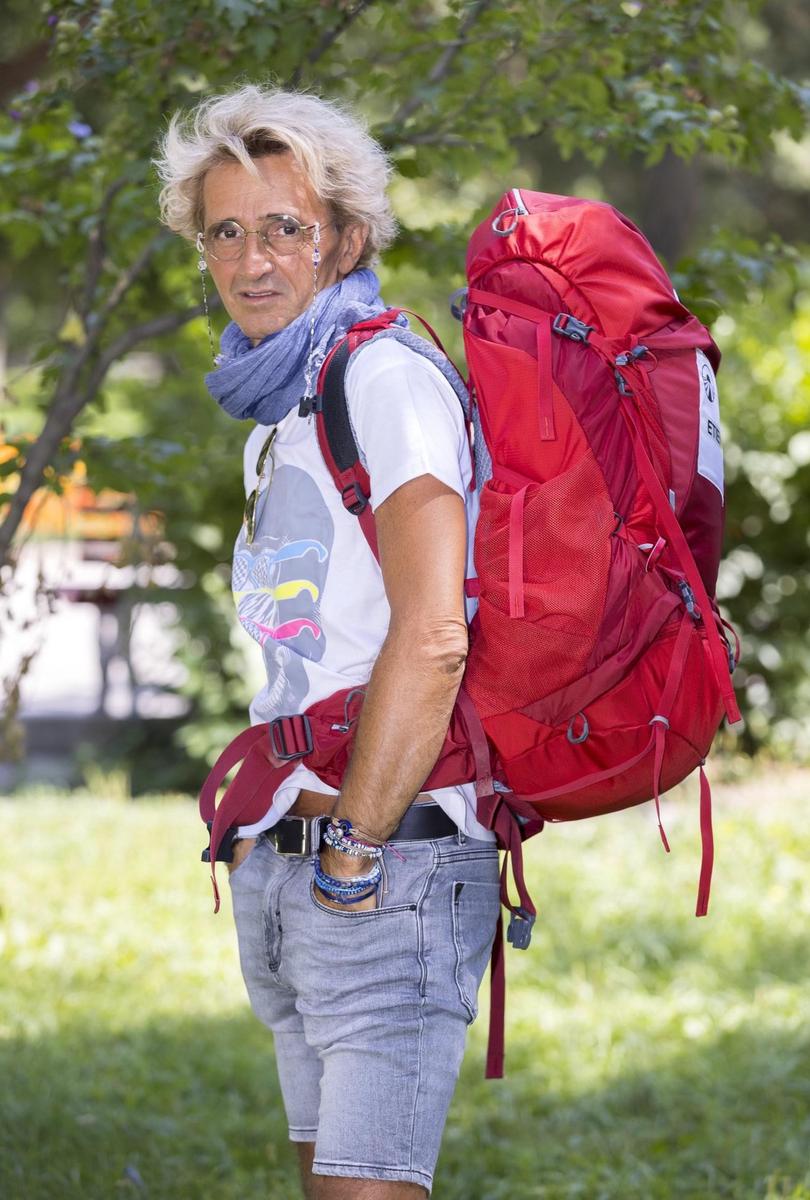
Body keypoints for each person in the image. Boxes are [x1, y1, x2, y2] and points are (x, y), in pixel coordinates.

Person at [155, 84, 500, 1199]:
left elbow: (434, 631)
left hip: (386, 868)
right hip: (293, 863)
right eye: (227, 231)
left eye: (285, 228)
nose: (252, 260)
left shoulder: (381, 379)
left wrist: (353, 847)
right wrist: (277, 845)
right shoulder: (284, 404)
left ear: (346, 236)